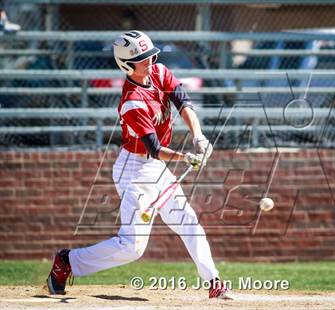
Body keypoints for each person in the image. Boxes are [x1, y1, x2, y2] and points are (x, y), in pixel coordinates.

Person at [46, 30, 234, 300]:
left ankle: (214, 282)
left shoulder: (159, 72)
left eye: (151, 55)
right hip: (134, 171)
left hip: (156, 169)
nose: (150, 61)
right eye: (142, 58)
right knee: (132, 247)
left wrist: (198, 137)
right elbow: (154, 149)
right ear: (126, 65)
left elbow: (183, 102)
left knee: (188, 222)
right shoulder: (132, 100)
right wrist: (186, 158)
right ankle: (67, 262)